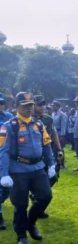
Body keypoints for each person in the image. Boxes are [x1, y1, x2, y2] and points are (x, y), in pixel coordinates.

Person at [0, 92, 56, 244]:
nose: (29, 108)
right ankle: (21, 235)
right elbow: (3, 151)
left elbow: (46, 145)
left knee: (46, 196)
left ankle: (31, 224)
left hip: (38, 168)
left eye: (31, 105)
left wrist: (51, 164)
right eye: (25, 106)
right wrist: (4, 174)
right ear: (16, 106)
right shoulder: (9, 126)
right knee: (21, 204)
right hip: (18, 170)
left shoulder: (39, 124)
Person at [32, 95, 64, 219]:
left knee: (52, 177)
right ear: (33, 105)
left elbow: (54, 133)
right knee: (36, 180)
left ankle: (37, 200)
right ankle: (37, 205)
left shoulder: (48, 119)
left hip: (48, 152)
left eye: (43, 104)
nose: (42, 107)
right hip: (33, 154)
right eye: (39, 105)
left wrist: (59, 149)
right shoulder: (28, 119)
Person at [0, 93, 13, 230]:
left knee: (8, 188)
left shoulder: (9, 118)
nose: (0, 106)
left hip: (7, 156)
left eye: (2, 103)